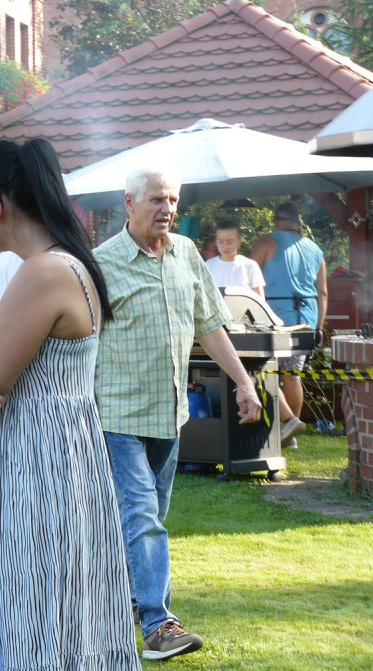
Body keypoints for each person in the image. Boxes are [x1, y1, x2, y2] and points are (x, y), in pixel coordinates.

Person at [0, 139, 139, 670]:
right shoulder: (65, 265)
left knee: (37, 617)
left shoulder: (43, 271)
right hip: (64, 461)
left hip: (33, 468)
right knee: (70, 615)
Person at [93, 167, 261, 660]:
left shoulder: (187, 254)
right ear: (129, 202)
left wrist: (244, 383)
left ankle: (120, 606)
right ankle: (158, 624)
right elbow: (80, 343)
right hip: (118, 415)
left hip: (170, 414)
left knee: (144, 519)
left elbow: (210, 326)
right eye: (156, 199)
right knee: (143, 517)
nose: (166, 208)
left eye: (172, 200)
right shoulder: (101, 264)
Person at [250, 201, 327, 447]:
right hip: (308, 319)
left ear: (276, 221)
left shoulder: (266, 241)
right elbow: (323, 293)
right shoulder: (315, 249)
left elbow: (247, 275)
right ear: (297, 222)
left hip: (276, 318)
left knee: (266, 372)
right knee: (292, 375)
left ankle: (288, 424)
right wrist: (319, 327)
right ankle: (289, 432)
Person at [206, 219, 266, 298]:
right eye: (221, 242)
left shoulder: (250, 266)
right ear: (216, 241)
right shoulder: (208, 266)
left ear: (239, 240)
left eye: (230, 242)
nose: (225, 246)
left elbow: (260, 299)